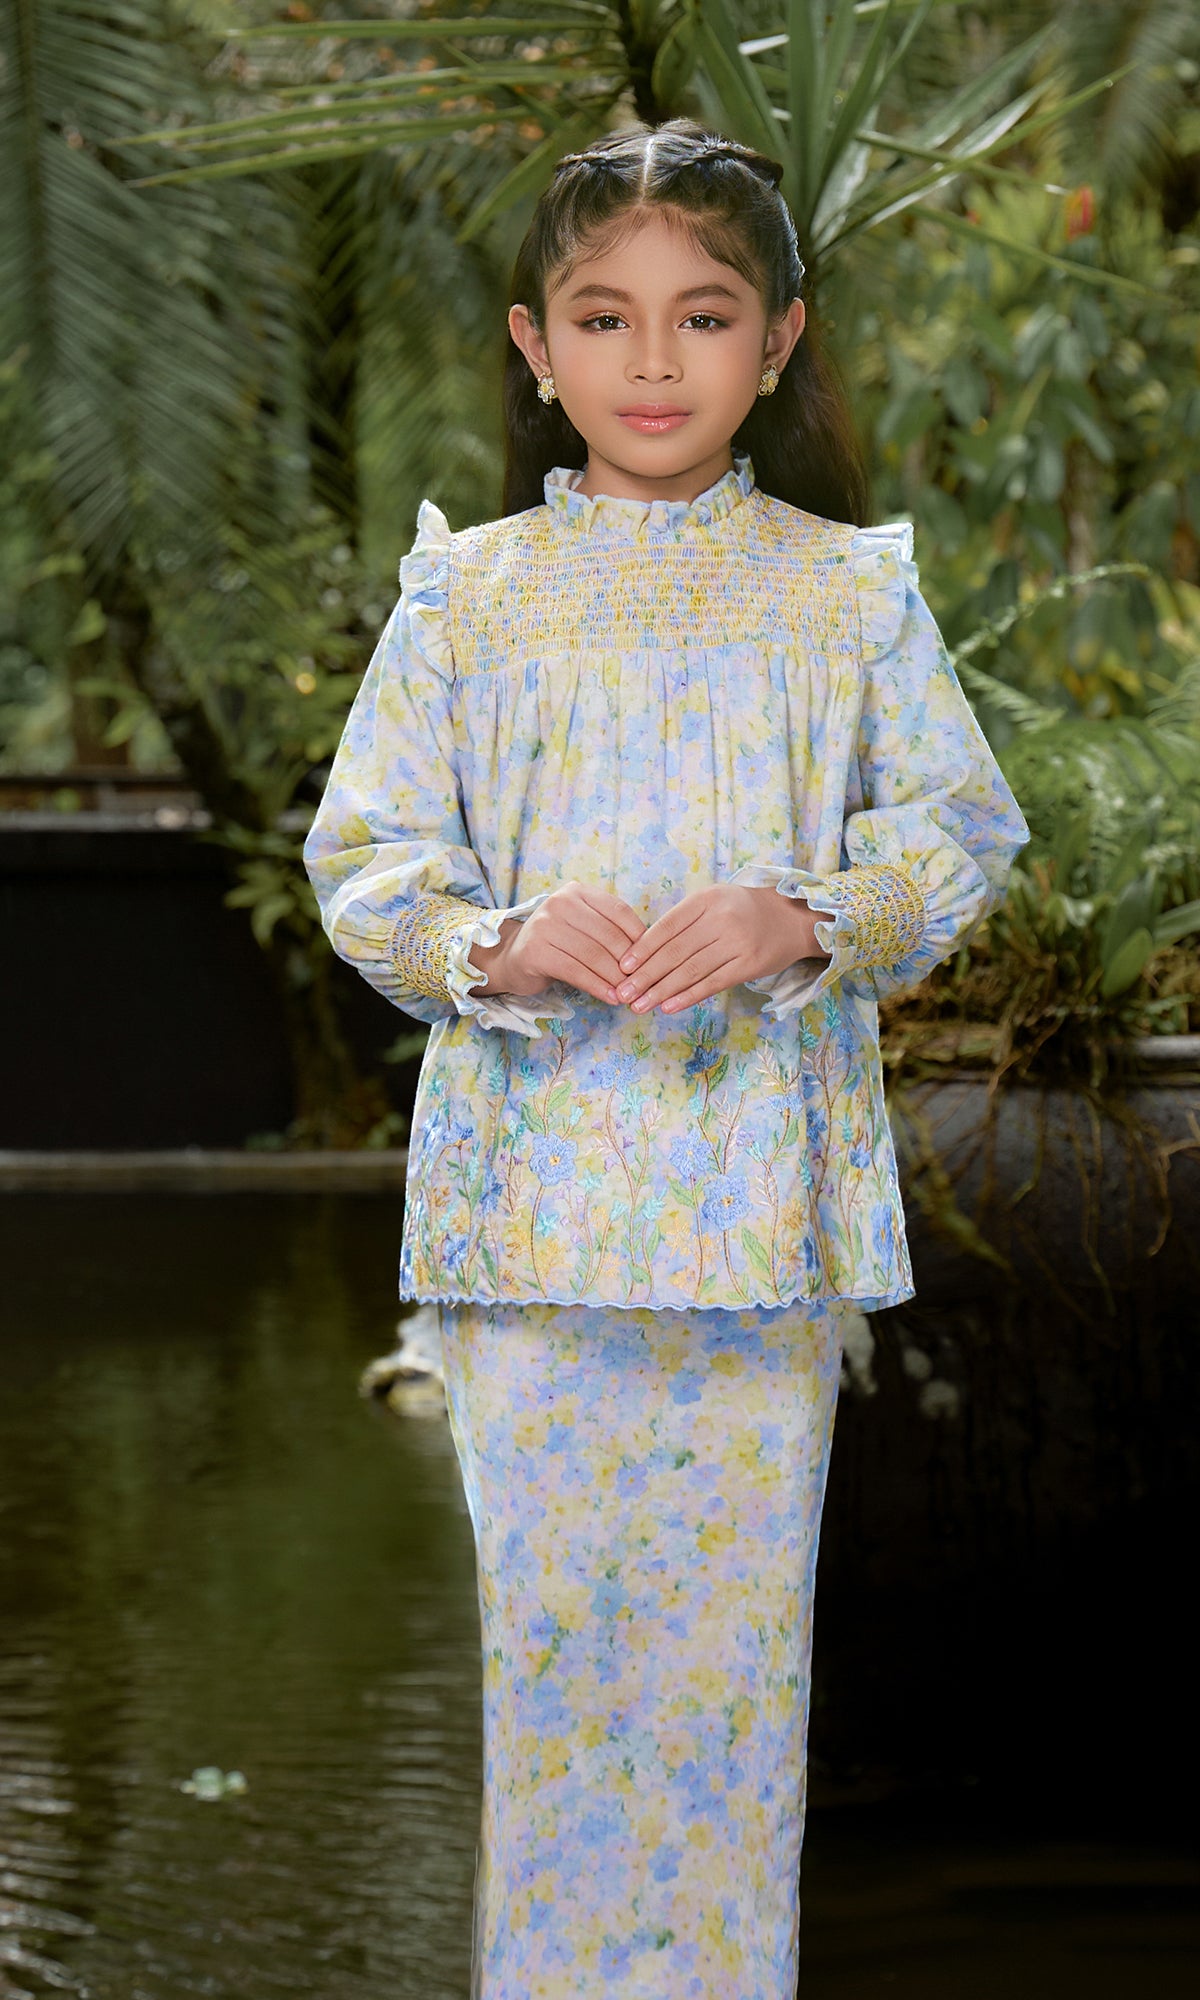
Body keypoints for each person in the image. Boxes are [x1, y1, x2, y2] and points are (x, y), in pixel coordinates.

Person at [304, 117, 1029, 2000]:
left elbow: (961, 831)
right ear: (534, 346)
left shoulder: (847, 593)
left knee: (729, 1695)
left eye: (702, 317)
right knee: (557, 1694)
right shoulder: (465, 600)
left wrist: (807, 914)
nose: (652, 360)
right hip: (530, 1231)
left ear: (776, 342)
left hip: (756, 1223)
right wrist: (493, 940)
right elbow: (363, 861)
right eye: (603, 317)